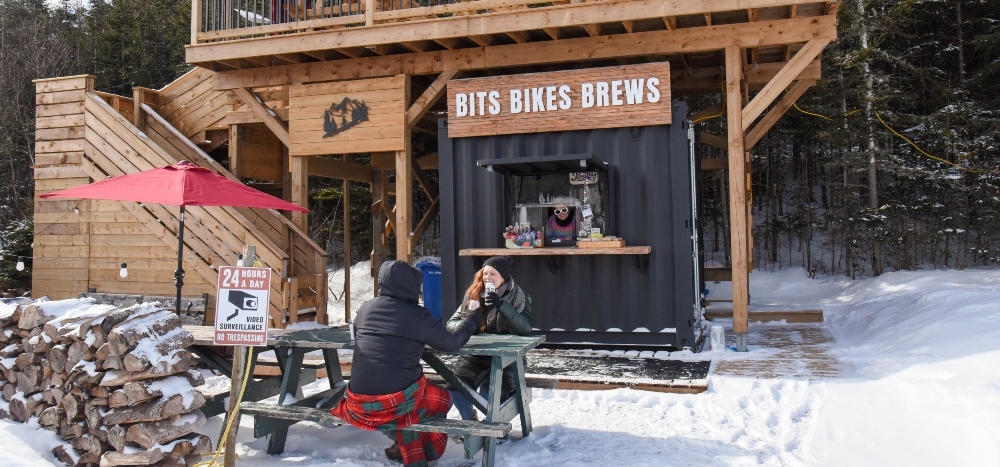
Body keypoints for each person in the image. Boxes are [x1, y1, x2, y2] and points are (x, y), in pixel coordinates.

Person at [332, 260, 484, 466]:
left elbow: (361, 333)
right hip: (395, 400)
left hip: (357, 400)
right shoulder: (417, 315)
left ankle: (402, 443)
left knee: (414, 403)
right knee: (443, 398)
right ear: (409, 285)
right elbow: (451, 343)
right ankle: (420, 447)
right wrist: (473, 318)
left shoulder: (366, 308)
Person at [446, 255, 532, 425]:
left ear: (503, 277)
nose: (487, 278)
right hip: (477, 354)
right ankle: (471, 422)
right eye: (485, 273)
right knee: (456, 388)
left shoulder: (518, 297)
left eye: (493, 274)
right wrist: (470, 322)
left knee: (490, 392)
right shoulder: (474, 293)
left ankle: (495, 427)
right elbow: (451, 323)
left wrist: (501, 305)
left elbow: (525, 328)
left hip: (509, 358)